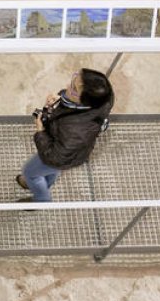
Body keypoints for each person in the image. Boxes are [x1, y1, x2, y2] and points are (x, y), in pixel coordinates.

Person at [16, 68, 114, 202]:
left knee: (30, 172)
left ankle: (42, 199)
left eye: (74, 89)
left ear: (85, 101)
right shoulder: (103, 100)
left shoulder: (75, 132)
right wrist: (61, 100)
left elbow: (54, 158)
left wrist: (40, 132)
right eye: (73, 80)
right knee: (50, 171)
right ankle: (44, 183)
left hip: (60, 156)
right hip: (70, 154)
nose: (67, 87)